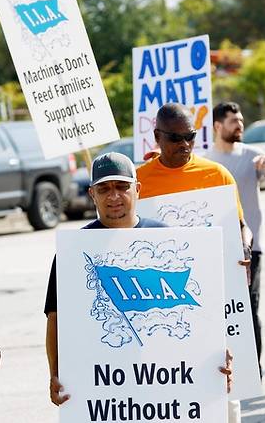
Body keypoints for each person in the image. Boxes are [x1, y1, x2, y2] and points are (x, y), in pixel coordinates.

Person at [44, 152, 234, 406]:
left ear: (138, 189)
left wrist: (219, 354)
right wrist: (55, 372)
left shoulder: (170, 240)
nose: (114, 196)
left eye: (122, 187)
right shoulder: (73, 251)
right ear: (92, 194)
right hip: (106, 392)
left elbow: (203, 311)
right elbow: (56, 319)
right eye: (104, 189)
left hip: (170, 387)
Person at [136, 103, 253, 423]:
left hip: (214, 304)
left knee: (223, 394)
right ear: (157, 137)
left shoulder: (217, 175)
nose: (185, 145)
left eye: (190, 136)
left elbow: (241, 228)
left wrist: (244, 248)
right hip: (160, 307)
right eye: (175, 138)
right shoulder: (137, 182)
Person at [205, 101, 265, 374]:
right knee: (219, 312)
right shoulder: (206, 162)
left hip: (250, 249)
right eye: (233, 121)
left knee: (250, 311)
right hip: (215, 250)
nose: (239, 125)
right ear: (218, 126)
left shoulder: (253, 155)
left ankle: (254, 368)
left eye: (241, 120)